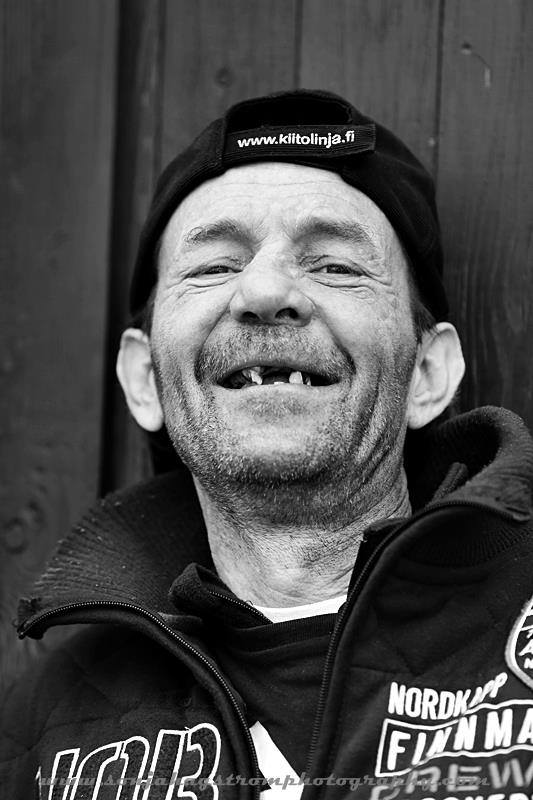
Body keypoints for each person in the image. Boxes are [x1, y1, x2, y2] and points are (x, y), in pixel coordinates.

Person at [1, 89, 533, 800]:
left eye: (334, 265)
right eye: (213, 266)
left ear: (428, 374)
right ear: (144, 379)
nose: (263, 290)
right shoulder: (41, 726)